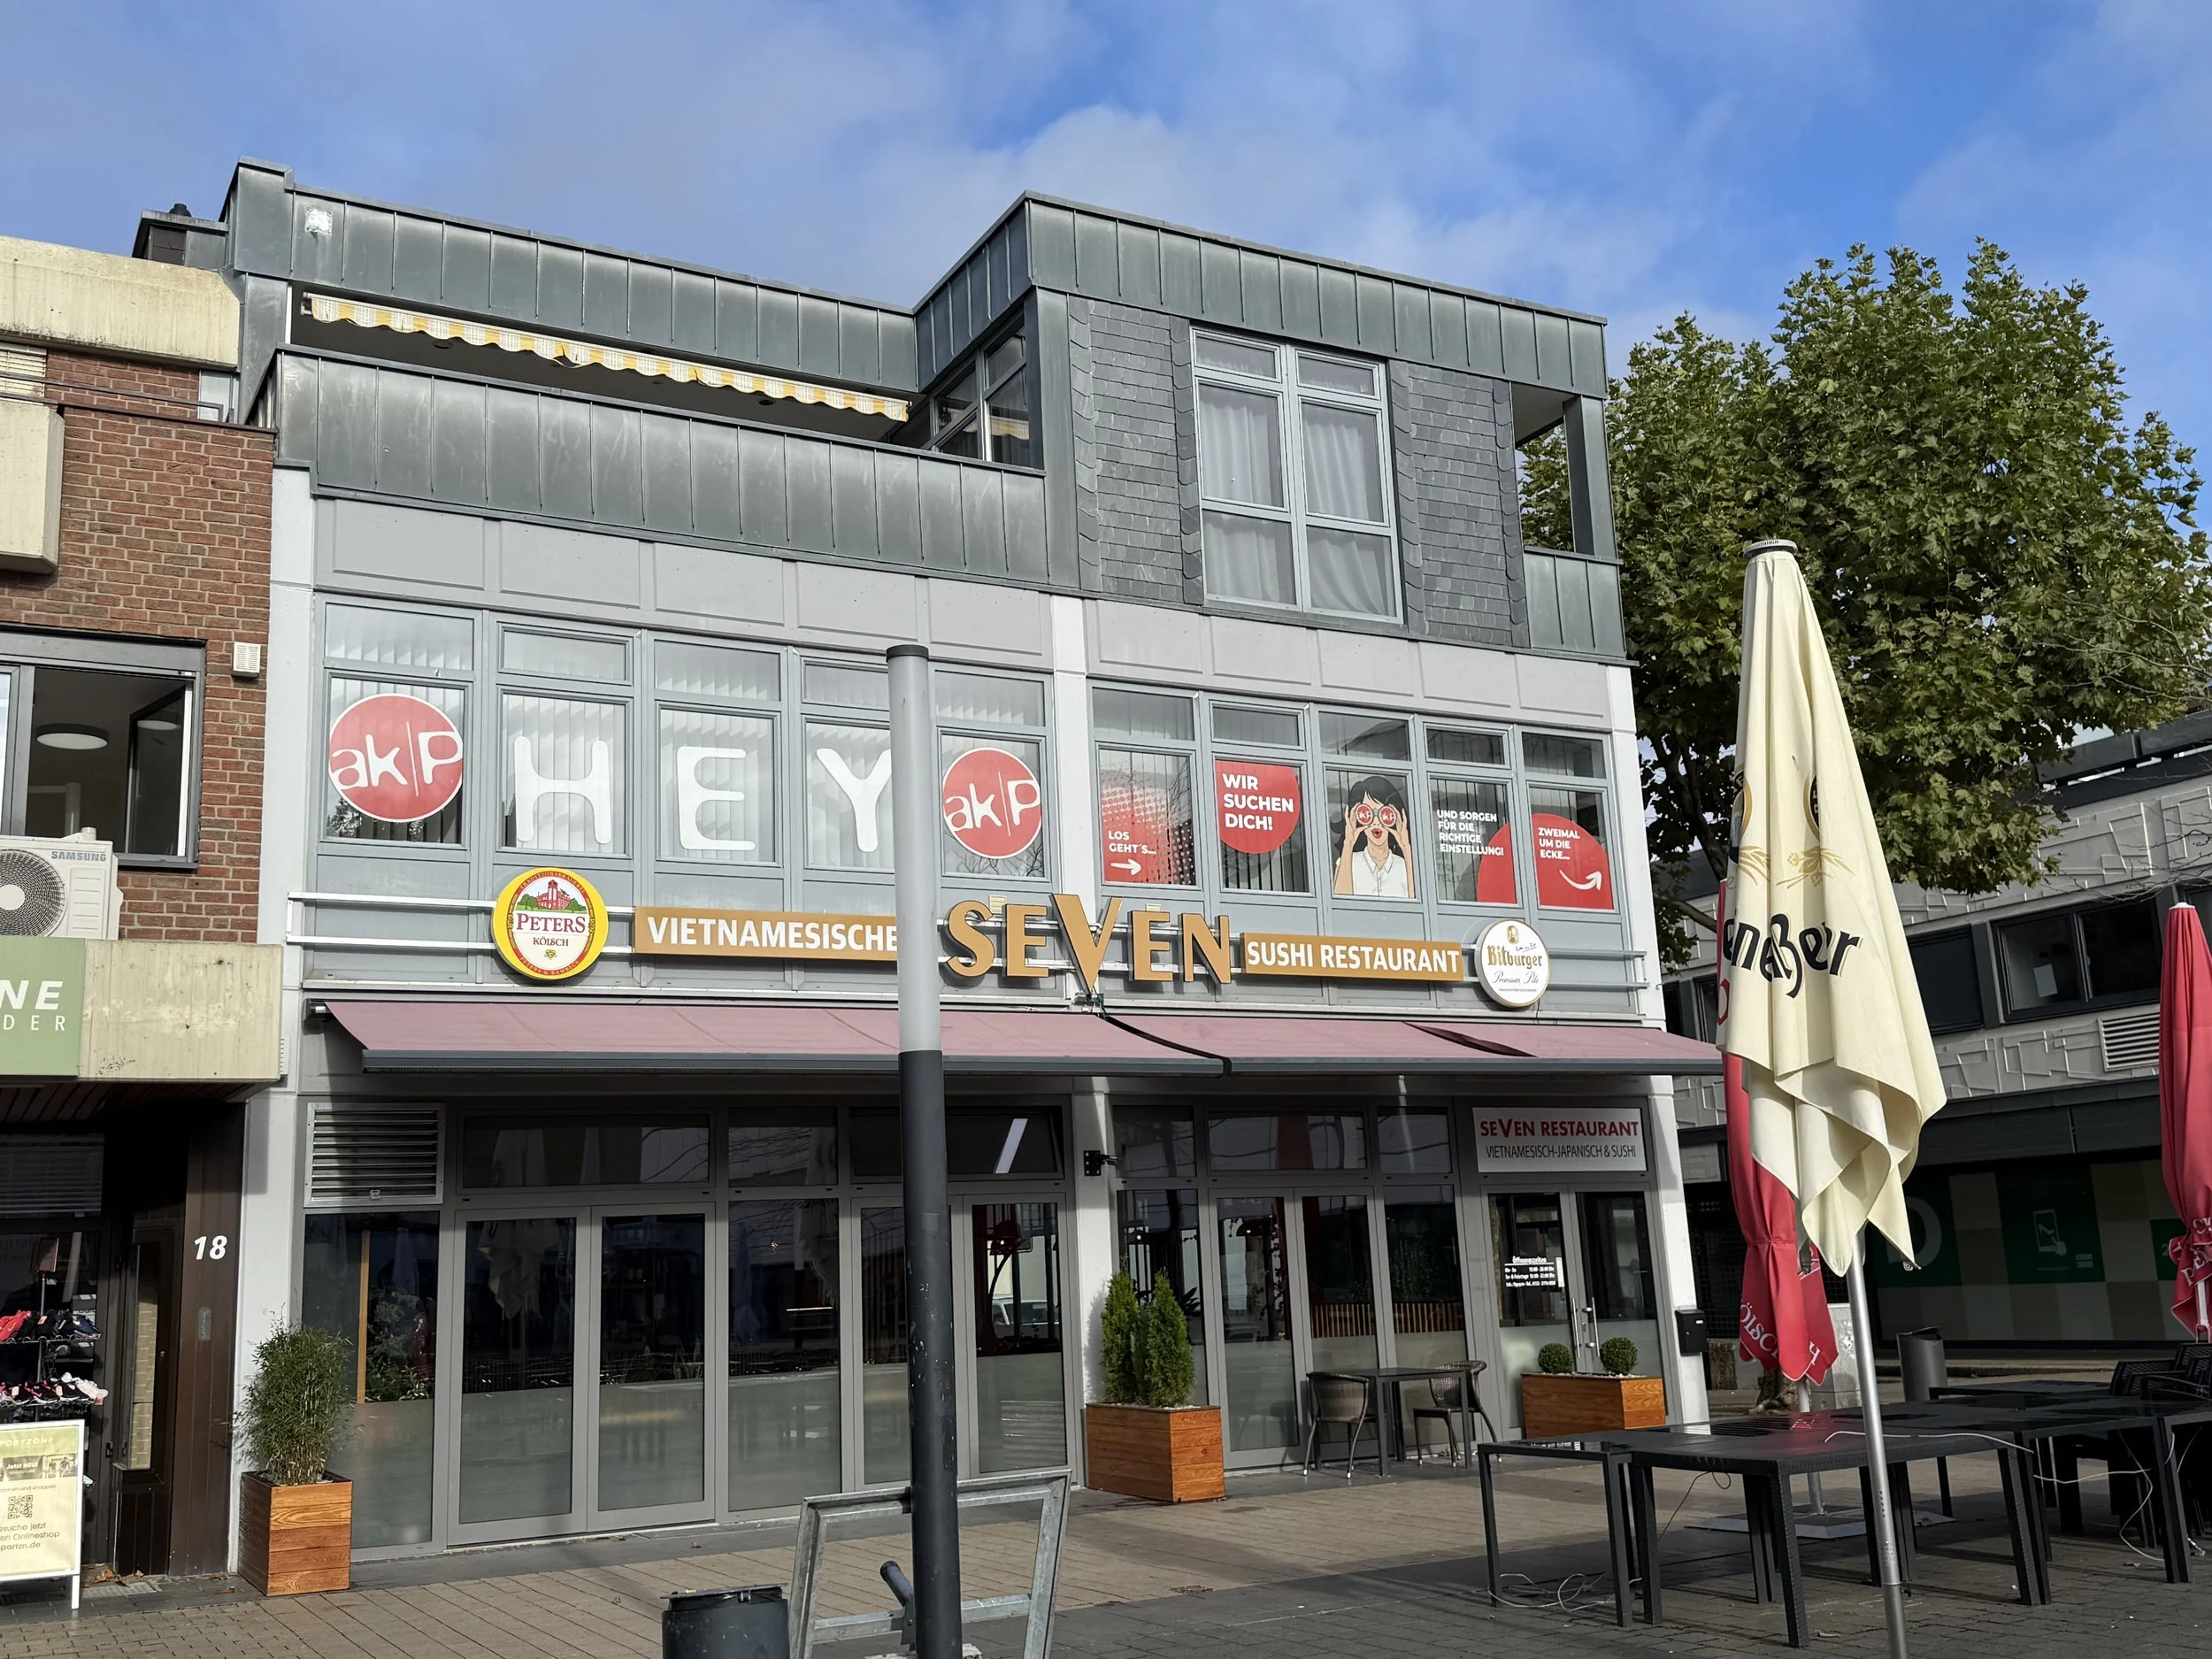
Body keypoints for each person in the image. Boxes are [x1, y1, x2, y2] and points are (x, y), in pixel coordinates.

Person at [1334, 775, 1416, 899]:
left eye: (1385, 814)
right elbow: (1339, 908)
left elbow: (1418, 908)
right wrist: (1348, 843)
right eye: (1367, 813)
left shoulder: (1404, 866)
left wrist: (1406, 847)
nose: (1376, 822)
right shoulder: (1348, 862)